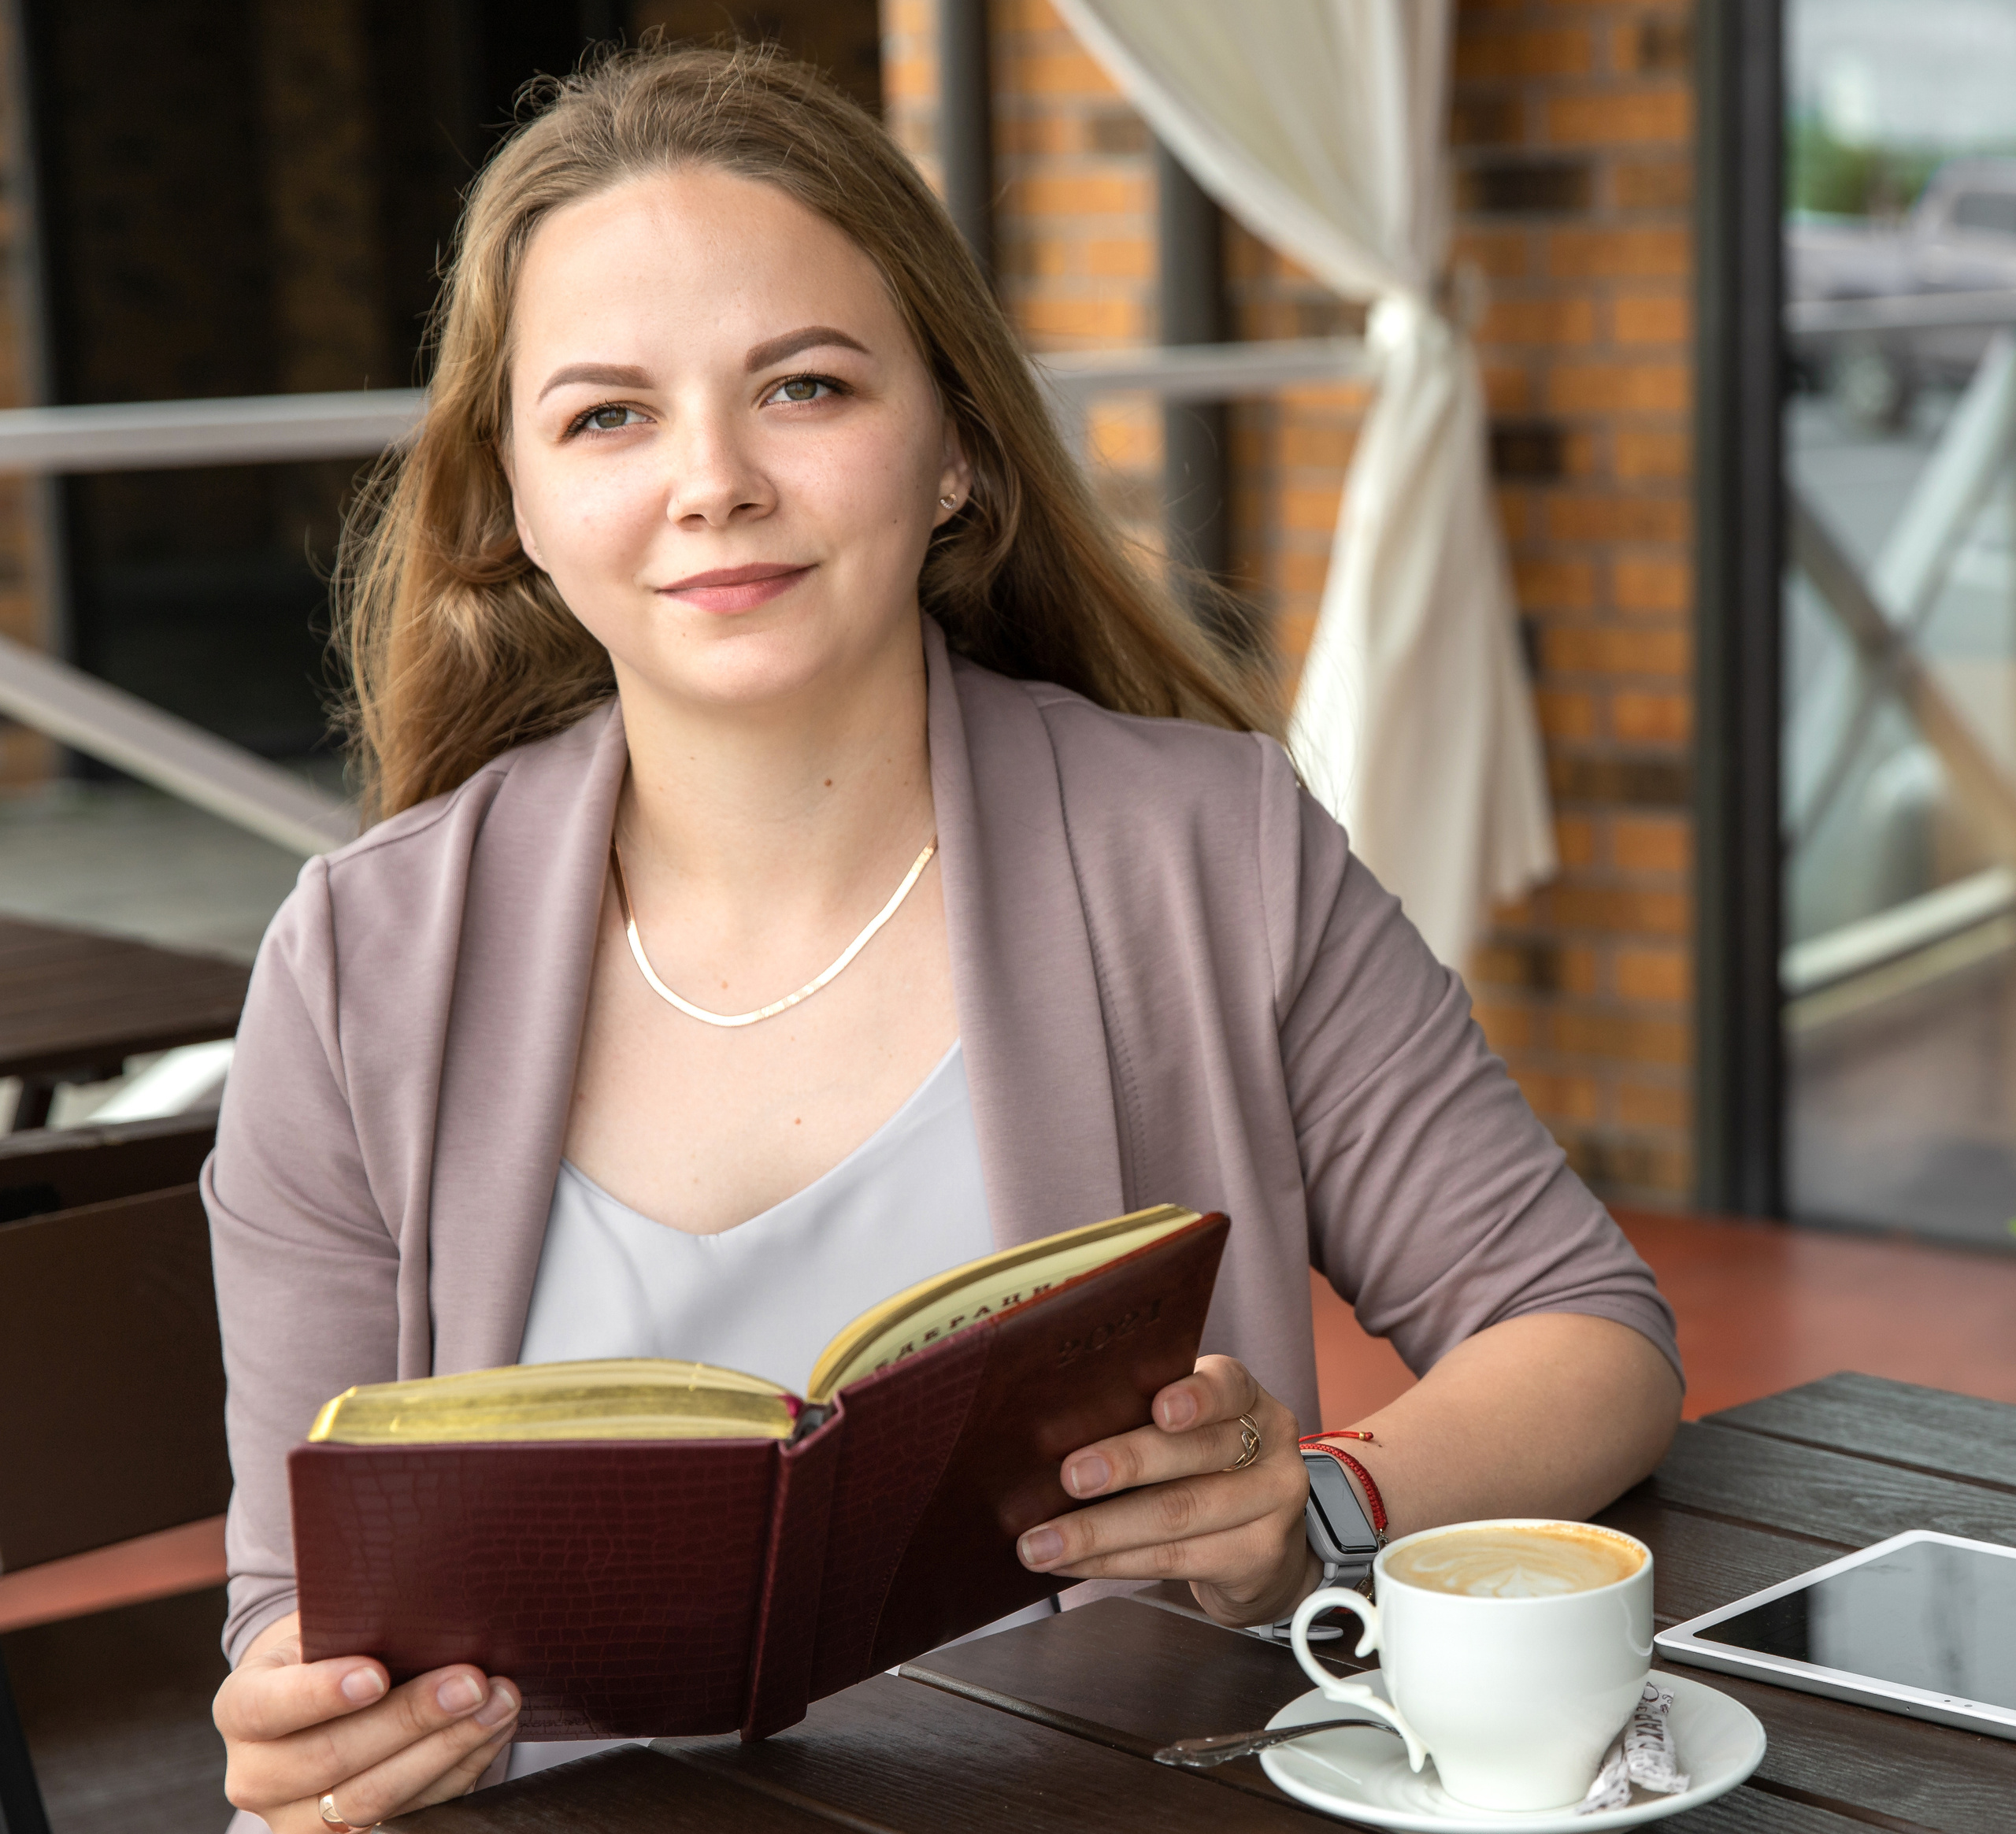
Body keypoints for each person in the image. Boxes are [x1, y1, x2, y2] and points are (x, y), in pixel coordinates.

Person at [204, 43, 1683, 1834]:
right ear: (514, 504)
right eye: (607, 413)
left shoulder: (1206, 850)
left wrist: (1317, 1503)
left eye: (804, 386)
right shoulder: (359, 960)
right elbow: (294, 1614)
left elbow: (1585, 1327)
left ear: (957, 447)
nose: (715, 480)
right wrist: (310, 1732)